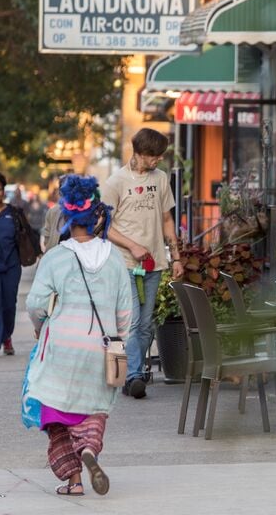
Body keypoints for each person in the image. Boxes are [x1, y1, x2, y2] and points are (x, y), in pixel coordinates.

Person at [25, 175, 132, 497]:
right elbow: (126, 310)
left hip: (62, 345)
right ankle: (88, 448)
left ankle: (73, 480)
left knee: (56, 410)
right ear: (96, 216)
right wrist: (119, 340)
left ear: (67, 218)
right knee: (93, 408)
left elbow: (35, 304)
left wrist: (40, 325)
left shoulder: (57, 257)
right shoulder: (113, 257)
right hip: (100, 347)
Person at [100, 128, 184, 399]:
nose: (158, 160)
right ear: (138, 153)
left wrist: (176, 256)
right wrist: (133, 245)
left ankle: (133, 372)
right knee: (135, 321)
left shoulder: (160, 179)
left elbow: (167, 220)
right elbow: (104, 228)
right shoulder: (115, 182)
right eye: (153, 156)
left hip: (155, 264)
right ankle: (134, 376)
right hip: (125, 263)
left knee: (146, 324)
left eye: (161, 156)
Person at [0, 171, 35, 358]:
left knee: (9, 304)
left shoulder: (15, 213)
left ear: (4, 191)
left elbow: (28, 234)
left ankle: (6, 337)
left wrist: (38, 252)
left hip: (12, 265)